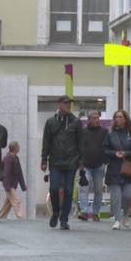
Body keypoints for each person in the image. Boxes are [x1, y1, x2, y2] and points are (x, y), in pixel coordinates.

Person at [41, 95, 83, 230]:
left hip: (71, 161)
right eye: (65, 103)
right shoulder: (51, 122)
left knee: (69, 191)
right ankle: (56, 212)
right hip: (55, 161)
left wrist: (81, 160)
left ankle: (64, 219)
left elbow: (80, 143)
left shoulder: (76, 122)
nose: (68, 105)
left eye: (69, 103)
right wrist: (43, 160)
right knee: (53, 188)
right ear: (59, 104)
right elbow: (46, 142)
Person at [103, 110, 131, 231]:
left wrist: (126, 153)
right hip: (114, 168)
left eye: (120, 117)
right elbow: (104, 150)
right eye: (116, 117)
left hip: (128, 168)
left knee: (128, 195)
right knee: (116, 196)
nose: (117, 119)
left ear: (125, 119)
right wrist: (115, 153)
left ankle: (125, 215)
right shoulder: (110, 134)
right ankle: (117, 220)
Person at [78, 110, 108, 222]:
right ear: (89, 119)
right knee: (84, 188)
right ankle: (84, 212)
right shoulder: (83, 132)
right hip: (85, 166)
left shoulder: (104, 132)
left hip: (99, 165)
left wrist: (105, 161)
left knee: (98, 190)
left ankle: (96, 213)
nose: (96, 120)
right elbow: (79, 148)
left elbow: (107, 146)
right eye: (94, 118)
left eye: (97, 118)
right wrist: (80, 163)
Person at [0, 142, 27, 219]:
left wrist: (23, 186)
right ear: (15, 148)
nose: (19, 148)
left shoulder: (16, 158)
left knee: (8, 204)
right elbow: (6, 173)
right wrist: (7, 186)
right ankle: (21, 217)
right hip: (9, 185)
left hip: (12, 184)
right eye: (18, 146)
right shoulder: (8, 158)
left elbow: (19, 173)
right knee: (16, 201)